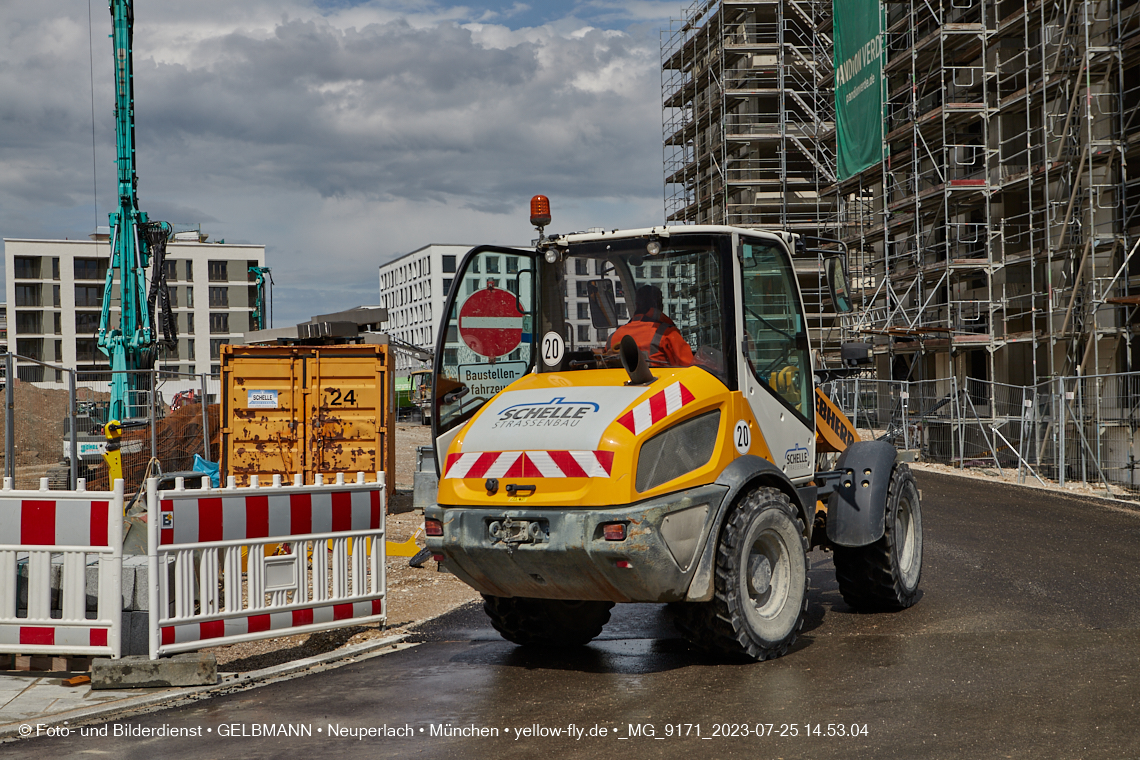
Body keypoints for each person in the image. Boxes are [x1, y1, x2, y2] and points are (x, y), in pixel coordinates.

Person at [606, 284, 694, 367]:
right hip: (659, 378)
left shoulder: (612, 337)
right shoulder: (668, 334)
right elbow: (689, 368)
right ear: (660, 306)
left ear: (637, 305)